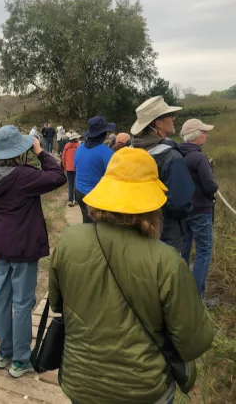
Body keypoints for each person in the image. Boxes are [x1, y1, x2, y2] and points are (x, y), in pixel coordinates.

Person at [49, 148, 214, 404]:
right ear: (152, 203)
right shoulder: (168, 261)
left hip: (79, 382)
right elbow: (193, 342)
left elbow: (58, 304)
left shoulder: (69, 241)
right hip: (143, 390)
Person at [0, 125, 66, 378]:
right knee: (23, 302)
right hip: (22, 246)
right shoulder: (23, 176)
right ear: (20, 149)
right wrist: (40, 151)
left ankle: (3, 353)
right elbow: (58, 176)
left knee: (1, 298)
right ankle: (19, 360)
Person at [131, 96, 195, 252]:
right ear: (158, 123)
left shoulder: (130, 152)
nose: (173, 119)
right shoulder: (171, 157)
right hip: (166, 233)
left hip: (134, 228)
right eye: (169, 115)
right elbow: (181, 204)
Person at [179, 119, 218, 299]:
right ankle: (197, 298)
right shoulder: (199, 158)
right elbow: (210, 186)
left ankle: (182, 291)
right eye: (204, 131)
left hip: (183, 210)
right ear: (196, 136)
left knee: (184, 249)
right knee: (203, 250)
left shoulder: (177, 154)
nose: (207, 135)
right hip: (201, 210)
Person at [75, 116, 116, 223]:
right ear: (104, 134)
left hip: (79, 192)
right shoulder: (106, 152)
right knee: (98, 227)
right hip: (94, 196)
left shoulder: (80, 148)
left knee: (86, 221)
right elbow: (114, 175)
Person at [62, 132, 81, 207]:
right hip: (77, 168)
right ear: (76, 138)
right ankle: (76, 200)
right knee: (77, 183)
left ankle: (70, 200)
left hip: (69, 167)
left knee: (70, 184)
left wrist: (65, 166)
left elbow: (63, 157)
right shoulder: (79, 146)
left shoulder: (67, 146)